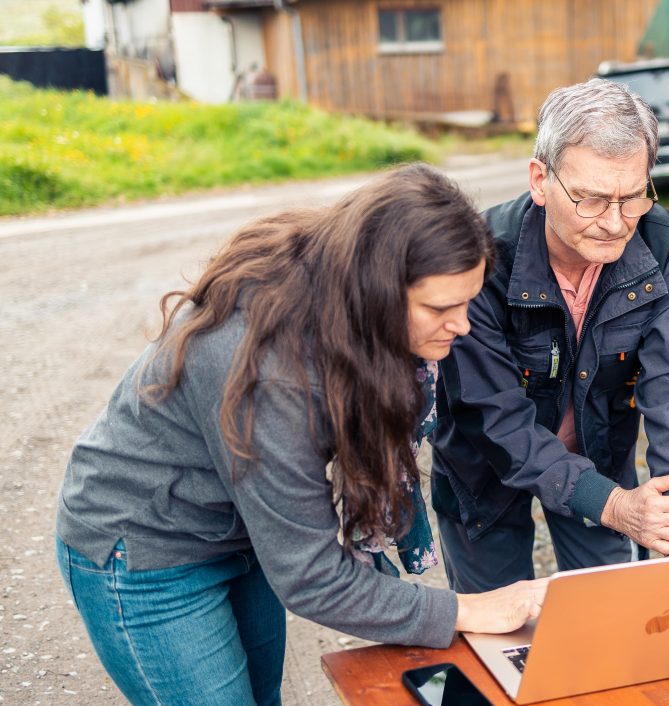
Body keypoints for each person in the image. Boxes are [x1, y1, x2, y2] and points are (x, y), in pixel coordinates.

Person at [54, 163, 548, 706]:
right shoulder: (269, 370)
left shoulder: (338, 280)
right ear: (377, 289)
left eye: (468, 302)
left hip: (241, 526)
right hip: (146, 547)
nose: (463, 325)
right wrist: (469, 609)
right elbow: (312, 577)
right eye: (440, 308)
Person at [431, 79, 669, 593]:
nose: (614, 223)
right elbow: (492, 415)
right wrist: (615, 507)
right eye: (590, 199)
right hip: (486, 470)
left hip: (598, 457)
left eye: (632, 197)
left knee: (609, 622)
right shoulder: (480, 257)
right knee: (491, 635)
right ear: (541, 180)